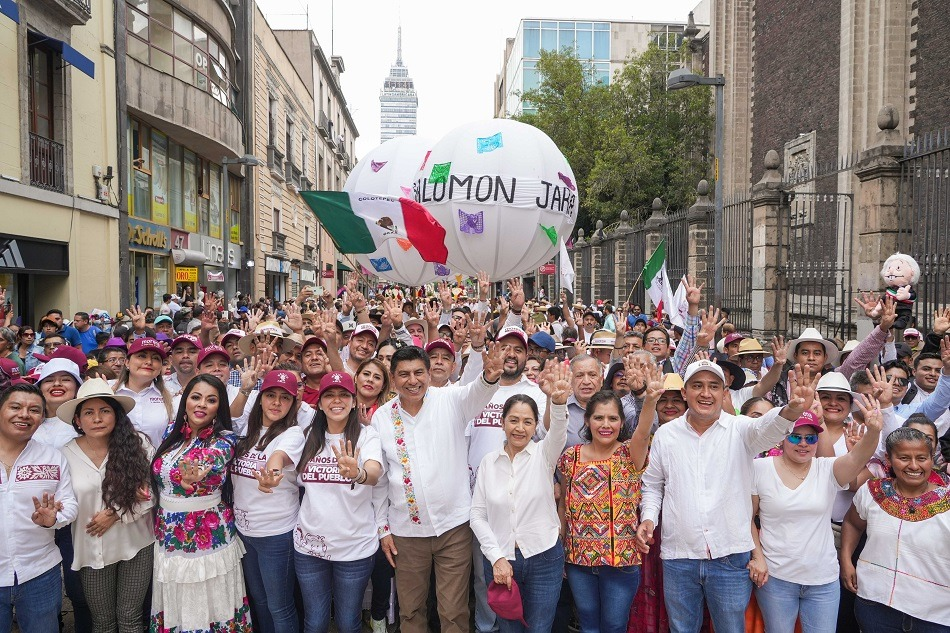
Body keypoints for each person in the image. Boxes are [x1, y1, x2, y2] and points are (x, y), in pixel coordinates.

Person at [637, 360, 820, 633]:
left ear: (726, 394)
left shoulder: (741, 429)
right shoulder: (666, 434)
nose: (705, 393)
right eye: (697, 386)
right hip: (679, 556)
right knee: (681, 628)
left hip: (730, 556)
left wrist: (792, 409)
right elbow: (653, 485)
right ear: (685, 393)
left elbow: (768, 429)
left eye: (714, 386)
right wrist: (649, 518)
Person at [373, 343, 505, 633]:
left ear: (429, 373)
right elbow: (380, 480)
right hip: (405, 533)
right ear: (392, 379)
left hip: (454, 529)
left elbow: (477, 393)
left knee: (454, 611)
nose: (413, 380)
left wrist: (490, 377)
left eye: (419, 372)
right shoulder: (381, 417)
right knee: (411, 611)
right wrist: (383, 529)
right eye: (404, 374)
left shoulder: (451, 400)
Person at [749, 399, 883, 633]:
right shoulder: (760, 469)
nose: (803, 443)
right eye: (795, 436)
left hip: (823, 580)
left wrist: (874, 430)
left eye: (810, 438)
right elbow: (746, 517)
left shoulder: (827, 468)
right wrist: (758, 556)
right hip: (777, 577)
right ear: (782, 438)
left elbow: (857, 458)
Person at [471, 359, 572, 633]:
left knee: (539, 628)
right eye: (513, 420)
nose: (520, 428)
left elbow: (559, 433)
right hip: (501, 560)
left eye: (527, 422)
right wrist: (497, 558)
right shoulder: (488, 463)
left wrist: (559, 402)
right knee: (508, 628)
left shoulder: (544, 454)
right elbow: (477, 516)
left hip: (544, 557)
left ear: (535, 426)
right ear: (502, 423)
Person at [150, 374, 249, 632]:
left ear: (220, 407)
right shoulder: (172, 430)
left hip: (208, 533)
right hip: (169, 533)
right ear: (185, 401)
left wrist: (193, 477)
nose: (201, 404)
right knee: (176, 602)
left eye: (211, 400)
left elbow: (211, 460)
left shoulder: (225, 439)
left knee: (212, 602)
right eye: (196, 397)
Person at [58, 378, 155, 633]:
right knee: (102, 623)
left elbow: (155, 491)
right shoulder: (64, 455)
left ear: (116, 415)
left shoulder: (138, 445)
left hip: (136, 545)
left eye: (105, 411)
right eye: (89, 412)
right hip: (92, 551)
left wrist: (116, 513)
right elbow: (63, 502)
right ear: (77, 420)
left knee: (131, 619)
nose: (97, 418)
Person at [558, 380, 654, 633]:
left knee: (614, 624)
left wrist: (651, 398)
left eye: (613, 418)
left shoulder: (630, 454)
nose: (605, 424)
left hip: (620, 560)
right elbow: (564, 506)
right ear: (587, 421)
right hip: (578, 559)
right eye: (598, 417)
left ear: (622, 423)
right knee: (588, 624)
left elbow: (643, 433)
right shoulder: (570, 457)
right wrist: (562, 544)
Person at [295, 371, 383, 633]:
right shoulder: (305, 436)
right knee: (315, 622)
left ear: (354, 401)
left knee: (347, 622)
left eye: (344, 395)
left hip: (354, 548)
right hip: (309, 547)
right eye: (329, 395)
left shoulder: (367, 436)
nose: (337, 401)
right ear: (319, 403)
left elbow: (374, 473)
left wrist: (358, 473)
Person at [840, 427, 950, 630]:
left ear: (932, 460)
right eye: (904, 458)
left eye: (922, 458)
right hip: (876, 604)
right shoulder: (871, 492)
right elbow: (853, 523)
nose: (914, 465)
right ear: (889, 460)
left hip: (936, 614)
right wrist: (846, 560)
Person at [231, 369, 306, 633]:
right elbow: (226, 417)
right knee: (259, 601)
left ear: (293, 403)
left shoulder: (293, 433)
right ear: (260, 398)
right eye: (271, 395)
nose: (276, 403)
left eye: (284, 398)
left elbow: (279, 459)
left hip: (276, 534)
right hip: (244, 532)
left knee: (279, 606)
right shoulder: (244, 430)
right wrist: (244, 389)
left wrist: (271, 476)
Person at [0, 383, 78, 633]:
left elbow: (70, 505)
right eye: (15, 407)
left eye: (34, 410)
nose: (24, 414)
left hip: (39, 572)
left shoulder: (52, 457)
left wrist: (52, 520)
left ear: (42, 418)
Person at [113, 338, 174, 448]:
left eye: (155, 358)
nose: (149, 362)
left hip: (156, 463)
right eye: (142, 356)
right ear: (127, 362)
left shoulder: (172, 397)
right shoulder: (109, 391)